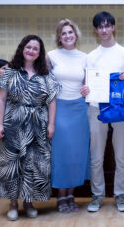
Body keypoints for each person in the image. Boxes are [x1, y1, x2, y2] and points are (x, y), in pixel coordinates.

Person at [0, 35, 60, 221]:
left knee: (34, 165)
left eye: (35, 49)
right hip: (13, 124)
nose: (31, 51)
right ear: (22, 48)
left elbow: (52, 101)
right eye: (28, 47)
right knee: (12, 165)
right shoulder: (9, 72)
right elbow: (1, 99)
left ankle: (29, 202)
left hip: (38, 126)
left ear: (40, 53)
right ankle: (13, 203)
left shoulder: (46, 74)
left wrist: (51, 124)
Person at [80, 11, 124, 212]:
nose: (103, 30)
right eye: (99, 26)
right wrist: (85, 89)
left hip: (120, 110)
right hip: (96, 108)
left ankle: (120, 195)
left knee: (121, 156)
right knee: (96, 156)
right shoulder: (91, 56)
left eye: (107, 26)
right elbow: (87, 84)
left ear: (113, 27)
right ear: (96, 30)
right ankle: (97, 195)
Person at [47, 19, 90, 213]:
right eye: (63, 33)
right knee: (61, 154)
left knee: (77, 154)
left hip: (79, 109)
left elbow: (89, 84)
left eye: (70, 32)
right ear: (59, 37)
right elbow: (45, 85)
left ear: (76, 34)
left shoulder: (84, 57)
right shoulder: (51, 56)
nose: (67, 36)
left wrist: (88, 89)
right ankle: (60, 196)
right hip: (59, 108)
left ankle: (71, 194)